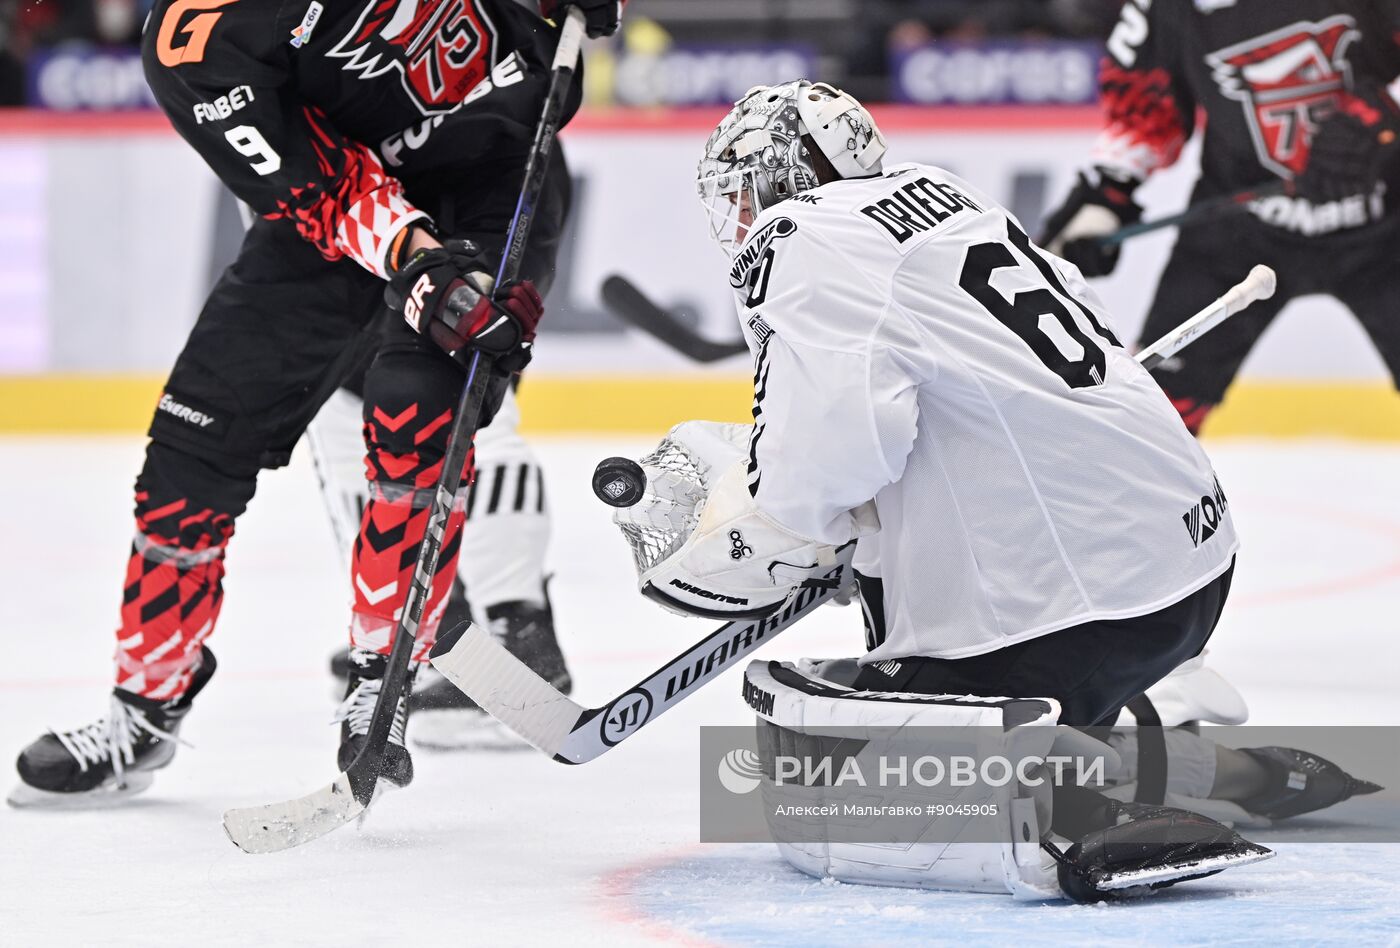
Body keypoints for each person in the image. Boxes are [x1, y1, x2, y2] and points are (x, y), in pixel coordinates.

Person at [653, 78, 1269, 899]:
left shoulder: (799, 233)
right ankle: (1146, 723)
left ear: (782, 176)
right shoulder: (943, 193)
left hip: (1066, 617)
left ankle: (1058, 800)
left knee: (820, 767)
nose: (739, 218)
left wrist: (799, 531)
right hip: (1194, 571)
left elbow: (834, 451)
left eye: (742, 191)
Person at [8, 0, 623, 807]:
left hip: (493, 179)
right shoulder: (195, 39)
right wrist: (412, 255)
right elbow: (322, 188)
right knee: (190, 453)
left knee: (416, 409)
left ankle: (384, 674)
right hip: (335, 216)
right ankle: (142, 711)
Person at [1040, 0, 1400, 434]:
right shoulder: (1164, 9)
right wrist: (1108, 190)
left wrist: (1384, 115)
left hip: (1389, 222)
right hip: (1240, 226)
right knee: (1150, 420)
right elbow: (1143, 110)